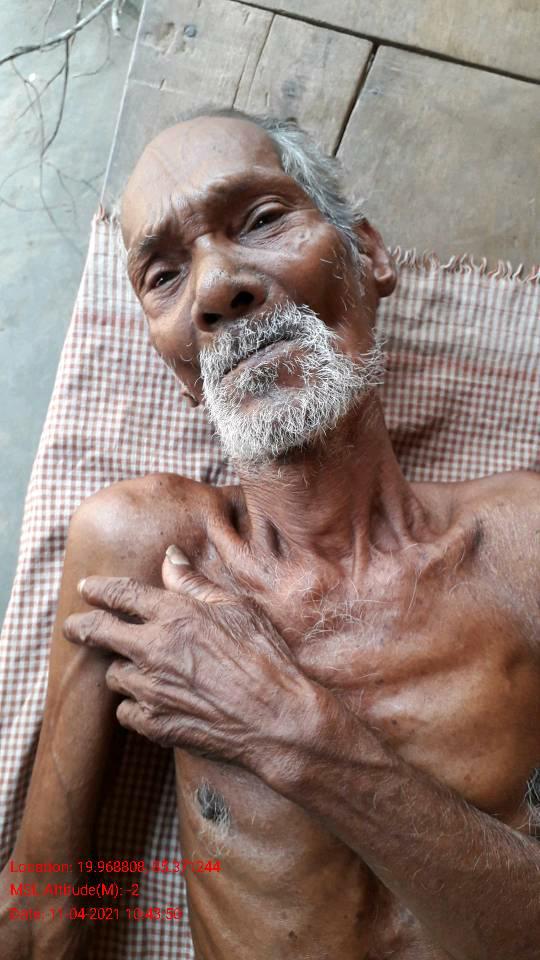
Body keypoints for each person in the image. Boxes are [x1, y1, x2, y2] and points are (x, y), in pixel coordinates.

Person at [1, 108, 539, 960]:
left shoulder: (525, 542)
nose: (217, 288)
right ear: (176, 365)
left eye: (259, 220)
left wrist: (288, 729)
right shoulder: (142, 551)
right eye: (165, 276)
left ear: (369, 255)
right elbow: (44, 904)